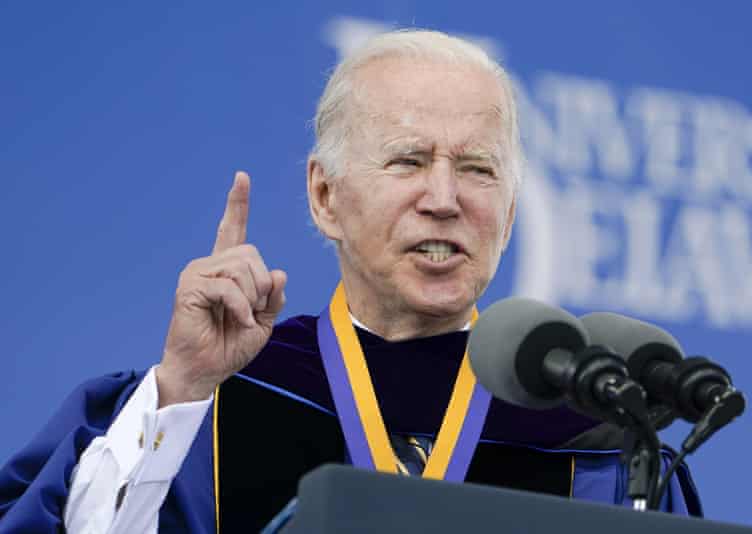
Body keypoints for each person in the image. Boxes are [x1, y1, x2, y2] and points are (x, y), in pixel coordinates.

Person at [0, 30, 700, 533]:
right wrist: (181, 390)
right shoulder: (224, 395)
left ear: (510, 213)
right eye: (408, 161)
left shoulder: (592, 435)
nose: (445, 197)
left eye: (479, 169)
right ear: (325, 196)